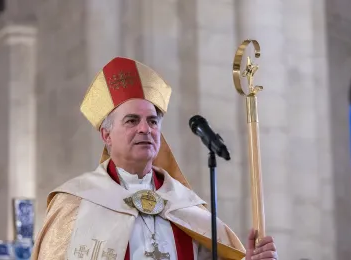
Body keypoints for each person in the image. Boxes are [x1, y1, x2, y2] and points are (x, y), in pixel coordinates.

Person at [31, 57, 278, 260]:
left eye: (152, 121)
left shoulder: (183, 205)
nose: (145, 129)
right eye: (131, 121)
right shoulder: (75, 205)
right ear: (106, 135)